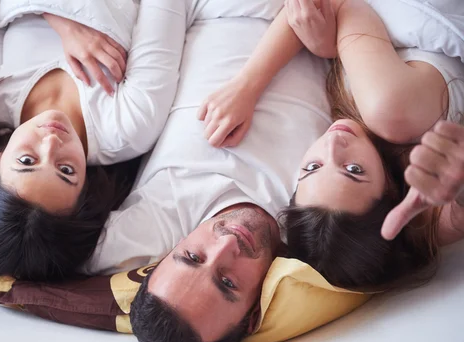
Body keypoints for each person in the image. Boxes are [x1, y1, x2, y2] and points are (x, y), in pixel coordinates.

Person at [83, 4, 331, 342]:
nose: (227, 244)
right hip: (323, 20)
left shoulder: (157, 222)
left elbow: (33, 247)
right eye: (228, 283)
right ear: (253, 317)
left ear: (164, 257)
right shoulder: (319, 228)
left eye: (192, 256)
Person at [199, 0, 464, 291]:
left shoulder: (373, 131)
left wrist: (246, 87)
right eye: (353, 169)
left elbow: (310, 10)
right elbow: (337, 5)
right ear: (390, 192)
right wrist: (249, 85)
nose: (333, 144)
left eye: (313, 167)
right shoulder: (388, 114)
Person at [0, 0, 186, 281]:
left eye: (27, 160)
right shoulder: (128, 125)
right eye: (66, 170)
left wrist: (61, 20)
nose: (51, 142)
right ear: (85, 186)